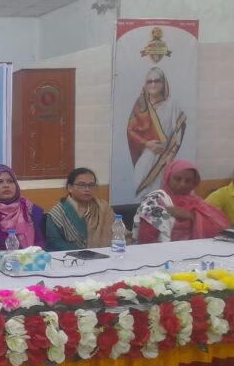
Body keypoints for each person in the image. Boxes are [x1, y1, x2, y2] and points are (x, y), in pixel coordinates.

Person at [133, 160, 229, 244]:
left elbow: (220, 230)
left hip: (196, 252)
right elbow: (146, 240)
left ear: (194, 184)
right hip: (163, 253)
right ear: (168, 178)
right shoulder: (156, 200)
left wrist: (192, 216)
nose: (182, 184)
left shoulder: (197, 202)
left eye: (188, 181)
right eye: (177, 179)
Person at [127, 67, 187, 197]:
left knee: (160, 195)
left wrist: (171, 155)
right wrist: (147, 143)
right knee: (141, 192)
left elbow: (180, 130)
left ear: (164, 83)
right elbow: (131, 131)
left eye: (157, 81)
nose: (153, 84)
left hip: (164, 159)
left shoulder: (172, 104)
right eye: (149, 81)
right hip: (146, 157)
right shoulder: (140, 104)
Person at [45, 168, 116, 251]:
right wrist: (82, 252)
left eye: (91, 185)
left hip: (107, 254)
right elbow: (54, 242)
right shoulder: (58, 212)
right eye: (81, 185)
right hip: (72, 256)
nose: (87, 189)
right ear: (70, 188)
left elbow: (119, 232)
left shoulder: (103, 207)